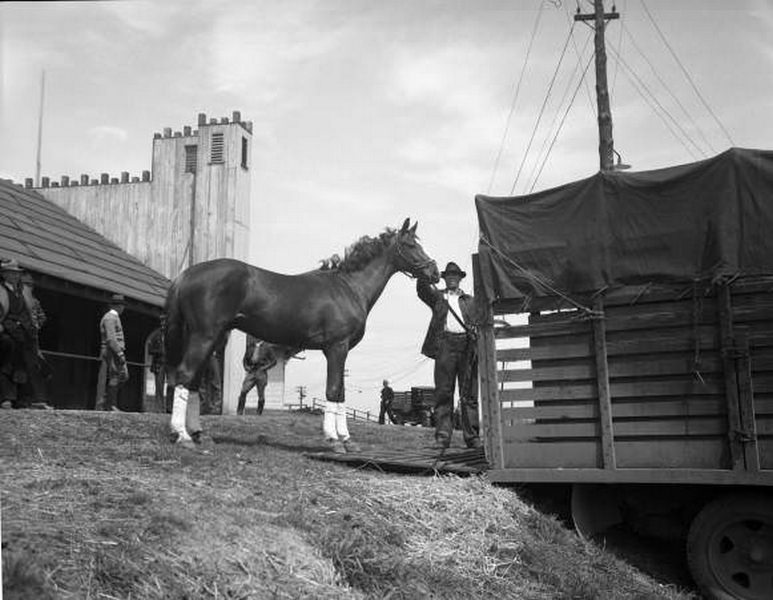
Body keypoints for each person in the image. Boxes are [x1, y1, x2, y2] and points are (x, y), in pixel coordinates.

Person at [417, 261, 482, 450]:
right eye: (449, 276)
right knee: (444, 392)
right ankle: (443, 437)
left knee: (469, 394)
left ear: (460, 279)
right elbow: (422, 290)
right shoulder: (437, 297)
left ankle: (472, 438)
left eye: (456, 276)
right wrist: (423, 273)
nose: (452, 278)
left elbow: (481, 317)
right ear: (445, 279)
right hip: (444, 344)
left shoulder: (470, 301)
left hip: (467, 346)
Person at [0, 259, 45, 409]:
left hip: (24, 332)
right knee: (8, 362)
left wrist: (31, 328)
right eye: (10, 273)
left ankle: (23, 398)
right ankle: (6, 397)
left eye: (16, 273)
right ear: (4, 274)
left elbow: (29, 313)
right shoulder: (1, 291)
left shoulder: (22, 292)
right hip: (7, 330)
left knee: (27, 363)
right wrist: (10, 327)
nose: (14, 276)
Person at [96, 293, 129, 411]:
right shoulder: (110, 318)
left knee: (123, 375)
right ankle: (111, 405)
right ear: (117, 306)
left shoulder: (114, 317)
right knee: (116, 375)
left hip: (114, 350)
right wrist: (119, 353)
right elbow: (111, 339)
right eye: (122, 305)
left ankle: (106, 400)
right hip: (112, 350)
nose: (123, 308)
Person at [236, 335, 277, 415]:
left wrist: (264, 368)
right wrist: (247, 367)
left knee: (261, 394)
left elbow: (274, 361)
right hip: (251, 372)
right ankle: (239, 412)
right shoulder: (250, 346)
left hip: (261, 372)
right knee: (243, 391)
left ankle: (259, 413)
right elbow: (245, 360)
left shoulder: (267, 347)